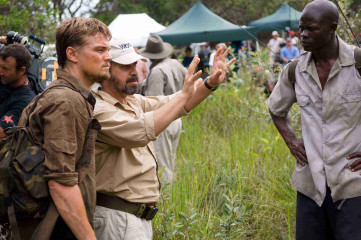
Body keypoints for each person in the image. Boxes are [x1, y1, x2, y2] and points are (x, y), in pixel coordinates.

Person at [92, 37, 235, 239]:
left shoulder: (131, 101)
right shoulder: (99, 108)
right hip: (117, 218)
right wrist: (184, 96)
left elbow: (174, 101)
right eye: (125, 66)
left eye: (134, 63)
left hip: (134, 217)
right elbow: (141, 131)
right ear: (105, 69)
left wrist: (210, 83)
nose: (134, 70)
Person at [267, 0, 361, 239]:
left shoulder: (358, 63)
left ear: (332, 28)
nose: (303, 35)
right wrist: (291, 140)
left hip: (353, 186)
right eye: (301, 28)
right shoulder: (295, 71)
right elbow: (276, 109)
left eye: (311, 29)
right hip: (311, 188)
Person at [17, 17, 112, 239]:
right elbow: (61, 184)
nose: (108, 57)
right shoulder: (66, 101)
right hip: (54, 230)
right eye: (100, 50)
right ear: (72, 54)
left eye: (108, 49)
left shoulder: (70, 94)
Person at [140, 35, 187, 182]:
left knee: (161, 164)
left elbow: (153, 102)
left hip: (163, 120)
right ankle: (170, 197)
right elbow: (189, 82)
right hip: (177, 117)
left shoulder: (157, 72)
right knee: (169, 161)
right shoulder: (175, 64)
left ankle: (165, 200)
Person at [0, 44, 35, 139]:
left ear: (22, 70)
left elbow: (2, 133)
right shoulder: (5, 79)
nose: (0, 72)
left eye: (5, 69)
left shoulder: (25, 102)